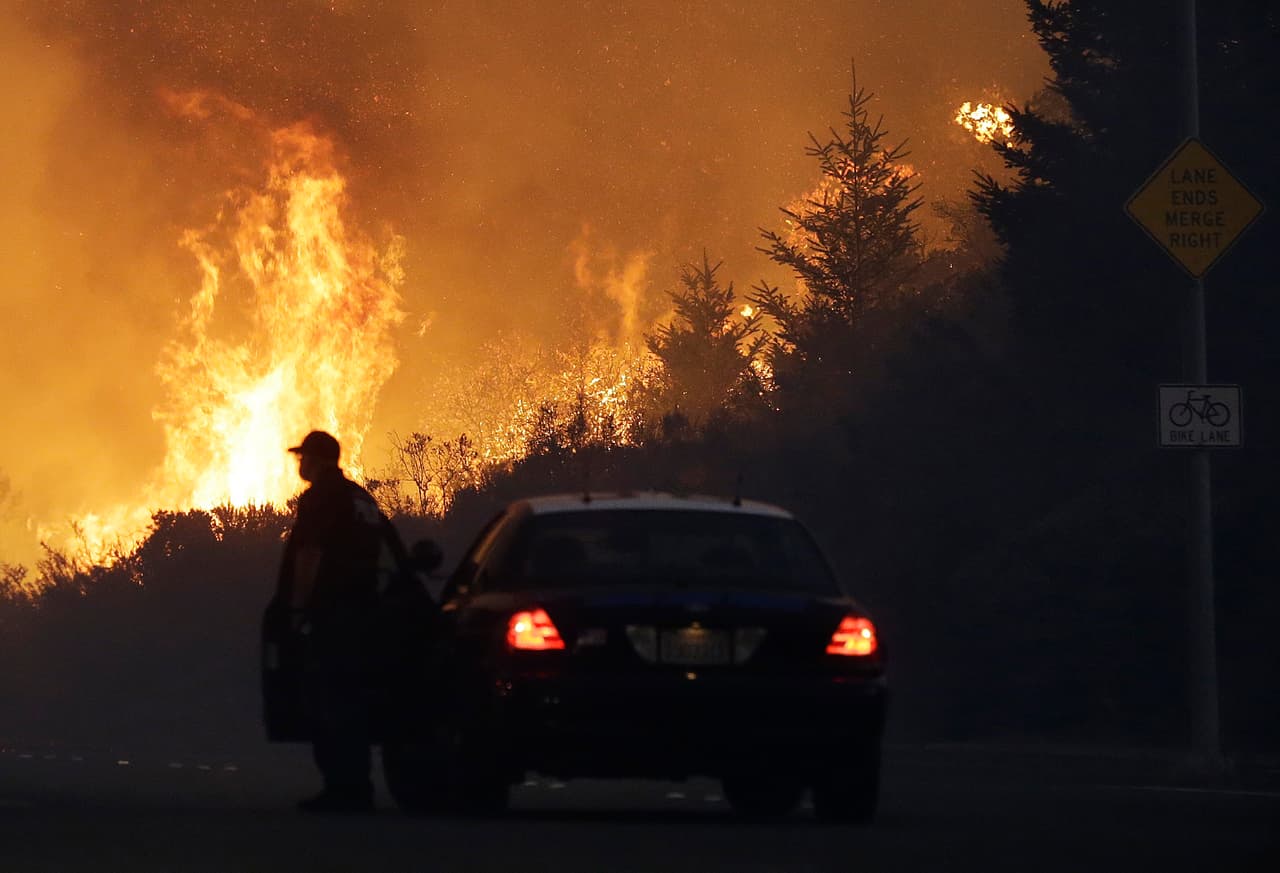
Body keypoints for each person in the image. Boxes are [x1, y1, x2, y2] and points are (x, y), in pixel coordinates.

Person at [279, 430, 385, 813]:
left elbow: (310, 555)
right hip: (366, 615)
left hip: (333, 616)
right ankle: (356, 786)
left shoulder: (322, 499)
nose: (299, 464)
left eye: (303, 457)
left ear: (320, 461)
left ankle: (343, 788)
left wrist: (296, 610)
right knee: (353, 700)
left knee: (330, 700)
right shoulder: (362, 499)